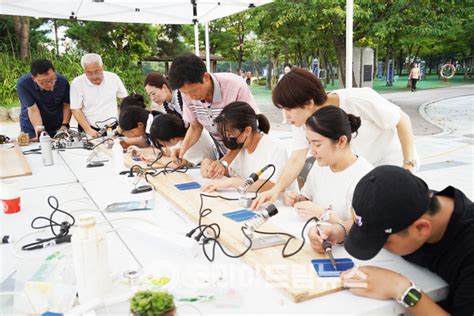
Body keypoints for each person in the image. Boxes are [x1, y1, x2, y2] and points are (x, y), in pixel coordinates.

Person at [308, 166, 474, 315]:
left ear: (421, 229)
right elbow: (374, 218)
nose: (378, 246)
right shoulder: (410, 202)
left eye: (383, 242)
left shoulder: (468, 250)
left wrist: (401, 289)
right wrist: (340, 230)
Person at [251, 68, 417, 210]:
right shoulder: (303, 121)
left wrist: (407, 165)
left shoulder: (358, 99)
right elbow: (296, 159)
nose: (286, 118)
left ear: (308, 103)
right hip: (359, 173)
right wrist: (276, 190)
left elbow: (402, 121)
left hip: (393, 165)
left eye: (289, 110)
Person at [167, 53, 260, 178]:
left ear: (205, 77)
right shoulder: (187, 94)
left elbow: (247, 131)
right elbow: (195, 126)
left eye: (193, 91)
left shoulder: (234, 85)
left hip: (250, 152)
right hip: (227, 152)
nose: (191, 97)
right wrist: (182, 150)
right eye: (186, 93)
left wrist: (225, 161)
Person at [283, 106, 373, 223]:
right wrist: (297, 200)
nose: (311, 151)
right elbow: (308, 198)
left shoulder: (366, 179)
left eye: (317, 144)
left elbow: (362, 232)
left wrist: (324, 215)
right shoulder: (320, 165)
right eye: (309, 142)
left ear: (341, 141)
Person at [202, 101, 290, 193]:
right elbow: (231, 172)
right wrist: (209, 165)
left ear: (247, 131)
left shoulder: (275, 148)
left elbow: (270, 185)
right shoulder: (240, 148)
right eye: (225, 134)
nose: (228, 138)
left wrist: (232, 182)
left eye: (231, 134)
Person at [70, 53, 128, 137]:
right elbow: (75, 109)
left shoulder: (113, 78)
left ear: (102, 67)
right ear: (84, 70)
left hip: (114, 127)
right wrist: (88, 130)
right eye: (89, 73)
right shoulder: (77, 83)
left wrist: (123, 123)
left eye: (97, 71)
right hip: (89, 128)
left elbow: (125, 100)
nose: (94, 77)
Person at [17, 59, 71, 140]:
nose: (49, 84)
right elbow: (33, 110)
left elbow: (67, 104)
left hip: (57, 128)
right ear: (34, 78)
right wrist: (40, 132)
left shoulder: (63, 82)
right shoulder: (24, 84)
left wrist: (65, 125)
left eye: (52, 79)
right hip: (32, 128)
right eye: (44, 82)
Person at [145, 114, 216, 168]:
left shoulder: (194, 139)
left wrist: (155, 159)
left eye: (161, 142)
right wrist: (140, 151)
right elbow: (169, 151)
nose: (161, 144)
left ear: (172, 139)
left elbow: (177, 165)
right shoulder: (182, 133)